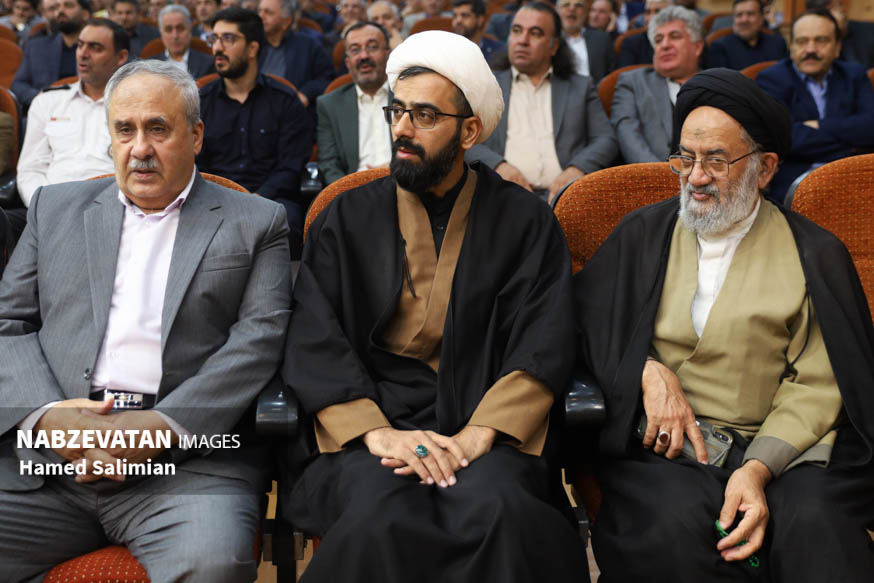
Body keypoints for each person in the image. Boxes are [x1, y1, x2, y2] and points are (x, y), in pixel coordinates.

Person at [282, 29, 589, 583]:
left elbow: (545, 340)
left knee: (503, 511)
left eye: (424, 116)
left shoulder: (526, 221)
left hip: (486, 425)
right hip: (374, 425)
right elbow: (314, 336)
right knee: (378, 516)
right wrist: (378, 433)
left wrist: (480, 434)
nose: (402, 128)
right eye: (397, 111)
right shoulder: (344, 218)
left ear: (469, 131)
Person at [574, 67, 874, 582]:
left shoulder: (815, 254)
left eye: (716, 160)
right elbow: (582, 323)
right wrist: (644, 370)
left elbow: (820, 384)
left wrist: (756, 469)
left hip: (790, 451)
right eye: (685, 158)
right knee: (669, 530)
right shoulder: (642, 235)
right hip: (667, 452)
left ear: (765, 168)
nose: (695, 177)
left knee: (815, 528)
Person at [0, 58, 292, 583]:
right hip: (49, 465)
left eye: (158, 128)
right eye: (125, 130)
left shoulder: (257, 220)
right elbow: (9, 323)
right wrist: (47, 418)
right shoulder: (53, 208)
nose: (139, 148)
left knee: (211, 564)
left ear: (196, 136)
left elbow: (259, 339)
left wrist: (161, 426)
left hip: (186, 466)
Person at [468, 2, 617, 201]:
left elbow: (606, 139)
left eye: (535, 33)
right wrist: (498, 166)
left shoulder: (580, 87)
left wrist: (577, 168)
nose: (523, 40)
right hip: (503, 196)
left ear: (553, 46)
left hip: (568, 198)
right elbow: (465, 137)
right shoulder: (488, 85)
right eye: (516, 31)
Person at [198, 6, 313, 257]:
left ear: (252, 48)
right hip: (212, 199)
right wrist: (225, 200)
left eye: (228, 39)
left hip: (272, 200)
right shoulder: (200, 103)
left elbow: (290, 167)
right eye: (214, 39)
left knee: (289, 222)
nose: (217, 48)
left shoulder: (285, 101)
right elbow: (194, 165)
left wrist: (256, 199)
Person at [756, 9, 874, 202]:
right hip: (796, 184)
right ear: (791, 47)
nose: (810, 49)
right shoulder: (771, 80)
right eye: (802, 41)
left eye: (821, 41)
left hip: (855, 177)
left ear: (837, 47)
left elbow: (870, 126)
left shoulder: (854, 75)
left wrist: (820, 125)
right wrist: (851, 146)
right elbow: (785, 139)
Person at [16, 18, 128, 206]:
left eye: (95, 48)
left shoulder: (134, 106)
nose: (83, 54)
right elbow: (31, 169)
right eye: (80, 45)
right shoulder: (47, 101)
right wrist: (44, 207)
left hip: (112, 207)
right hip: (49, 206)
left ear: (121, 57)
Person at [611, 5, 702, 163]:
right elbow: (629, 138)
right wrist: (660, 175)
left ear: (697, 47)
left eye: (674, 36)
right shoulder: (632, 83)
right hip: (653, 174)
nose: (664, 45)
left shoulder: (719, 86)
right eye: (658, 40)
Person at [317, 21, 391, 184]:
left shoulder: (408, 96)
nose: (364, 56)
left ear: (388, 54)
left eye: (372, 47)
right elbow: (329, 165)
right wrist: (349, 192)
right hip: (352, 190)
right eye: (355, 50)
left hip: (403, 185)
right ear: (348, 62)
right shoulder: (330, 105)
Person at [11, 0, 91, 108]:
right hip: (45, 109)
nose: (60, 11)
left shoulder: (100, 49)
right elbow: (18, 84)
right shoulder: (36, 46)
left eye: (68, 5)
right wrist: (41, 98)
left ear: (85, 14)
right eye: (57, 7)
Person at [257, 0, 332, 108]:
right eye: (259, 11)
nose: (260, 16)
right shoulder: (252, 45)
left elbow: (326, 78)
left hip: (292, 109)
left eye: (268, 13)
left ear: (286, 22)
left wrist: (306, 93)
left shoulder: (308, 45)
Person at [708, 0, 787, 71]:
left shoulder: (778, 44)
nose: (744, 20)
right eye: (739, 15)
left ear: (761, 18)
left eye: (750, 14)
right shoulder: (719, 48)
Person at [556, 0, 614, 82]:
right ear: (557, 10)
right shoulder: (549, 40)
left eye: (578, 5)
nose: (572, 9)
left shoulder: (602, 39)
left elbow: (612, 76)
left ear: (585, 12)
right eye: (566, 4)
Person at [151, 3, 215, 77]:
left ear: (189, 29)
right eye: (168, 30)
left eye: (180, 29)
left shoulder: (208, 64)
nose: (175, 36)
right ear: (161, 33)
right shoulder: (150, 66)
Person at [807, 0, 874, 69]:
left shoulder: (870, 30)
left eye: (839, 5)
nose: (839, 12)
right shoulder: (811, 40)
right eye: (830, 9)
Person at [616, 0, 667, 67]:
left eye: (658, 12)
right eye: (647, 12)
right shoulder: (631, 43)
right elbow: (626, 72)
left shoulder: (680, 41)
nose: (651, 18)